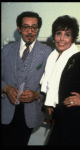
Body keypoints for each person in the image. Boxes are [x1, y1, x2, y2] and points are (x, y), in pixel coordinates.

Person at [40, 15, 80, 146]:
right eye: (58, 33)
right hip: (60, 121)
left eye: (67, 34)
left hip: (75, 125)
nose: (61, 39)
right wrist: (49, 103)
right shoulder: (52, 57)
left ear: (73, 38)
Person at [1, 11, 52, 146]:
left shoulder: (47, 52)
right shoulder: (6, 50)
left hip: (31, 112)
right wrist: (6, 88)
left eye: (34, 27)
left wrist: (37, 95)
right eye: (25, 27)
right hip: (5, 110)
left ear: (38, 29)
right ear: (19, 28)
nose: (30, 31)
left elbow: (52, 84)